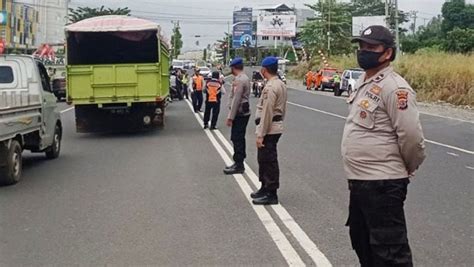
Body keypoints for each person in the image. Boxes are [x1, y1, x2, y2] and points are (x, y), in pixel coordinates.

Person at [342, 25, 426, 267]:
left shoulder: (395, 87)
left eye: (371, 47)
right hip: (360, 182)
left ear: (387, 53)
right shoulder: (363, 81)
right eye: (361, 47)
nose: (363, 52)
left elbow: (411, 137)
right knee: (362, 241)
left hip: (383, 183)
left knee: (389, 252)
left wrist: (407, 167)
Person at [251, 57, 287, 205]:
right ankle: (264, 187)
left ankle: (271, 192)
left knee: (268, 160)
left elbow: (267, 111)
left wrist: (261, 134)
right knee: (263, 159)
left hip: (269, 128)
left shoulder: (271, 87)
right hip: (274, 126)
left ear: (264, 70)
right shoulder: (280, 84)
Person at [223, 58, 251, 175]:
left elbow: (236, 99)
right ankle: (238, 162)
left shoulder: (240, 80)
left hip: (239, 113)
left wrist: (230, 117)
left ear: (234, 68)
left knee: (237, 138)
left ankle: (239, 164)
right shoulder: (244, 78)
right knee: (239, 138)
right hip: (243, 112)